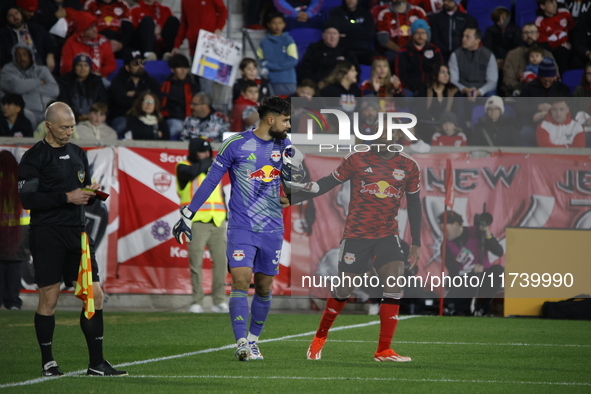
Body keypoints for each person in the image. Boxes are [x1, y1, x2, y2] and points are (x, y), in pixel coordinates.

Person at [287, 123, 422, 362]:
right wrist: (293, 198)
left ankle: (383, 350)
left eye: (387, 134)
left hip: (387, 234)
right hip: (356, 236)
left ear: (398, 137)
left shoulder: (409, 165)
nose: (381, 138)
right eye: (378, 133)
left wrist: (416, 242)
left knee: (394, 285)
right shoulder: (357, 158)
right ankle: (319, 338)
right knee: (344, 289)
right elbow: (327, 183)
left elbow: (414, 204)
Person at [172, 96, 293, 361]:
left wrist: (293, 195)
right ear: (270, 119)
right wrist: (188, 214)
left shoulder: (285, 145)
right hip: (241, 226)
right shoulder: (236, 144)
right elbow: (211, 180)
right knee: (240, 279)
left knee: (263, 287)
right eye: (285, 120)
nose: (288, 125)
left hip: (272, 228)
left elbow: (294, 182)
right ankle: (241, 343)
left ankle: (253, 340)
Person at [17, 101, 127, 377]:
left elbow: (82, 192)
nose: (69, 132)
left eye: (72, 127)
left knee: (95, 295)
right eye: (65, 127)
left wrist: (90, 192)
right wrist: (67, 197)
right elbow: (28, 199)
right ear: (49, 125)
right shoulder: (34, 158)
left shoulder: (78, 153)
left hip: (77, 234)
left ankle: (97, 364)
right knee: (49, 299)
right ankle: (48, 363)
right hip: (47, 234)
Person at [175, 138, 228, 314]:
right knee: (195, 262)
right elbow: (192, 173)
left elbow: (220, 194)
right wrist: (211, 161)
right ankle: (197, 301)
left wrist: (226, 216)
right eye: (201, 151)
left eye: (208, 152)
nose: (205, 155)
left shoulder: (214, 167)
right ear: (192, 151)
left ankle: (219, 300)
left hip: (218, 221)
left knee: (221, 262)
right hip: (196, 222)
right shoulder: (183, 166)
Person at [439, 210, 504, 316]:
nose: (444, 234)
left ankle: (484, 308)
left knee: (498, 270)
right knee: (456, 309)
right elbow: (453, 271)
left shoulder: (477, 232)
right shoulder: (445, 246)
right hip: (465, 281)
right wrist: (471, 272)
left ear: (455, 225)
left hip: (483, 277)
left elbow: (498, 251)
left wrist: (487, 233)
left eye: (446, 230)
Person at [1, 43, 59, 125]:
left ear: (30, 56)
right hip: (24, 112)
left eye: (25, 54)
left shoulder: (42, 70)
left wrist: (25, 88)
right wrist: (38, 82)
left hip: (44, 113)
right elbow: (16, 87)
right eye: (18, 55)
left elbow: (54, 90)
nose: (22, 58)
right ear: (14, 57)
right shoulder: (7, 70)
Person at [108, 50, 161, 135]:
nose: (140, 66)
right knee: (121, 125)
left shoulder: (151, 81)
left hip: (147, 115)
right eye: (136, 63)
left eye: (142, 62)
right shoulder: (118, 81)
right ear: (127, 67)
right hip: (123, 115)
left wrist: (136, 94)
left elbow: (157, 99)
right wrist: (144, 97)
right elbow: (120, 101)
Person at [0, 150, 28, 311]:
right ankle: (13, 302)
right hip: (21, 228)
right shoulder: (20, 179)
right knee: (15, 265)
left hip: (2, 228)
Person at [502, 23, 558, 97]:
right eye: (526, 33)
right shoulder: (513, 54)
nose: (529, 36)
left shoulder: (547, 54)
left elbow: (556, 76)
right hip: (519, 93)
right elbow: (508, 79)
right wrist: (525, 88)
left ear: (538, 35)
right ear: (522, 35)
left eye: (532, 32)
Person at [298, 24, 357, 90]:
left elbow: (355, 69)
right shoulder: (314, 49)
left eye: (334, 33)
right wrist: (314, 82)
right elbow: (306, 68)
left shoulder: (346, 50)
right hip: (319, 85)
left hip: (341, 86)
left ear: (339, 35)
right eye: (329, 33)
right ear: (323, 35)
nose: (332, 37)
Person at [60, 11, 117, 78]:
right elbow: (66, 66)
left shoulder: (103, 41)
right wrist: (82, 75)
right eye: (90, 28)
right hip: (76, 79)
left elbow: (111, 64)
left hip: (97, 78)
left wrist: (100, 72)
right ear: (82, 32)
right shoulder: (71, 42)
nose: (95, 30)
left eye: (95, 26)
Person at [395, 19, 443, 96]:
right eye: (417, 33)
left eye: (423, 33)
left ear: (427, 34)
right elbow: (400, 73)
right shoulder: (404, 51)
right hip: (409, 89)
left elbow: (439, 70)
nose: (420, 36)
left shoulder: (435, 50)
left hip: (430, 88)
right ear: (412, 34)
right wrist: (412, 87)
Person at [57, 53, 109, 122]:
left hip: (95, 119)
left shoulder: (97, 82)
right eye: (79, 65)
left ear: (90, 68)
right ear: (74, 67)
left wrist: (94, 116)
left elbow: (103, 102)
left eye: (86, 65)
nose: (82, 68)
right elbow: (64, 103)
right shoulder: (65, 81)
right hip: (72, 119)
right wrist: (78, 117)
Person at [160, 53, 200, 141]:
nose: (183, 71)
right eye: (180, 68)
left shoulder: (193, 86)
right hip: (169, 119)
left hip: (191, 120)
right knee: (177, 126)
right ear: (172, 69)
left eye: (185, 68)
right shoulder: (164, 86)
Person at [448, 27, 498, 98]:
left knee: (492, 97)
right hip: (462, 90)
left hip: (483, 90)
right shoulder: (455, 55)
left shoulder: (488, 55)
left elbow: (492, 82)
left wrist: (479, 92)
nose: (463, 39)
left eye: (467, 37)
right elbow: (453, 80)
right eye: (463, 36)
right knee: (455, 95)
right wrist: (465, 90)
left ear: (477, 40)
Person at [257, 12, 298, 96]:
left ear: (284, 24)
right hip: (271, 80)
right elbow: (261, 61)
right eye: (274, 23)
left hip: (288, 80)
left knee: (290, 107)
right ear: (268, 24)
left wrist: (271, 66)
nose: (277, 26)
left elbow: (293, 61)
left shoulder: (289, 40)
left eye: (280, 23)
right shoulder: (263, 42)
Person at [326, 0, 376, 65]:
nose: (350, 0)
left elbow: (369, 33)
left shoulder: (366, 13)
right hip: (344, 50)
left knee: (379, 60)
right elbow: (333, 29)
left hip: (363, 50)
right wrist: (359, 28)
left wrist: (347, 31)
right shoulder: (336, 12)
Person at [535, 0, 575, 74]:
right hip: (554, 54)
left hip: (570, 48)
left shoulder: (564, 13)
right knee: (560, 52)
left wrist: (570, 43)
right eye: (550, 2)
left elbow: (573, 32)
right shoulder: (540, 22)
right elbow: (544, 47)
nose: (554, 5)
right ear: (542, 6)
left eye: (554, 1)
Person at [482, 6, 521, 72]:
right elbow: (488, 47)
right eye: (497, 19)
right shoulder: (490, 30)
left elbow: (517, 46)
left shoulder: (515, 29)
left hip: (511, 59)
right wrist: (496, 59)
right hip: (494, 60)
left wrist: (506, 59)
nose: (500, 22)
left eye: (503, 19)